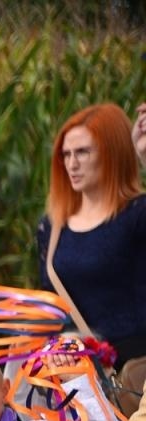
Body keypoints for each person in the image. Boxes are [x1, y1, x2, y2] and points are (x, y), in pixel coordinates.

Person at [36, 104, 146, 370]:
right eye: (66, 154)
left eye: (83, 152)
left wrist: (142, 153)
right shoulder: (52, 226)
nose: (71, 164)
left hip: (136, 373)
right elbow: (51, 307)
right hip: (78, 372)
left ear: (112, 153)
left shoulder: (138, 214)